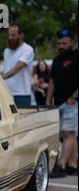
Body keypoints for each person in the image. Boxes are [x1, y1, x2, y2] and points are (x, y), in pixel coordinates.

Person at [46, 29, 78, 177]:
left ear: (72, 42)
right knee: (67, 135)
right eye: (59, 43)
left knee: (68, 133)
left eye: (64, 43)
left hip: (72, 102)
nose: (61, 46)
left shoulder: (77, 56)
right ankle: (73, 164)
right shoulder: (56, 60)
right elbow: (52, 81)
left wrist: (74, 97)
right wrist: (48, 100)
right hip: (57, 103)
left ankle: (61, 166)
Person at [2, 23, 35, 106]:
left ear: (21, 35)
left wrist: (0, 78)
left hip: (22, 95)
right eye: (9, 35)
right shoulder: (6, 51)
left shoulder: (28, 49)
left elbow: (17, 68)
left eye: (13, 35)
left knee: (23, 119)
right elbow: (6, 69)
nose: (10, 38)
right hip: (6, 94)